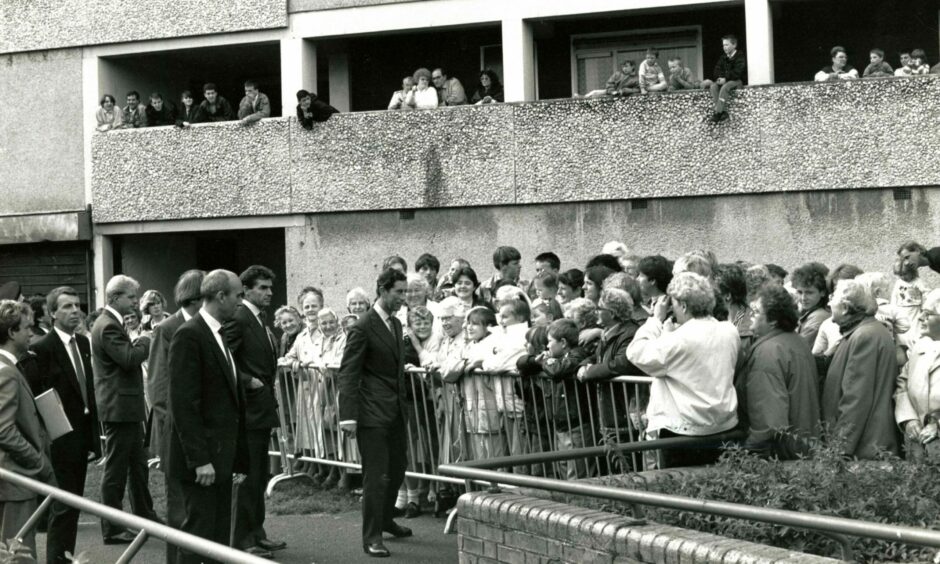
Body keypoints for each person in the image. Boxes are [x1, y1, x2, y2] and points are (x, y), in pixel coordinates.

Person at [165, 270, 248, 564]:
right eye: (238, 295)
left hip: (220, 457)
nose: (241, 301)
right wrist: (200, 459)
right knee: (198, 538)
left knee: (217, 538)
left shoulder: (217, 333)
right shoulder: (190, 335)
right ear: (221, 296)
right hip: (203, 462)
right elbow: (184, 403)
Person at [627, 272, 740, 468]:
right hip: (724, 425)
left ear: (684, 306)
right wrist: (669, 335)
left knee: (679, 484)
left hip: (685, 430)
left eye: (674, 304)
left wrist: (655, 320)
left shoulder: (678, 339)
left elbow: (637, 352)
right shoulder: (729, 331)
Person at [337, 268, 413, 558]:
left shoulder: (395, 324)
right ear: (383, 290)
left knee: (397, 468)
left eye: (405, 291)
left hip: (395, 411)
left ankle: (385, 519)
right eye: (399, 292)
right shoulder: (363, 326)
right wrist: (348, 416)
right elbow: (348, 372)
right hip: (371, 414)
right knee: (376, 475)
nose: (403, 297)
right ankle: (372, 536)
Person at [27, 287, 97, 564]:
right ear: (52, 313)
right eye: (67, 306)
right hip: (59, 440)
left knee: (74, 505)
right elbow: (38, 398)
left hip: (81, 435)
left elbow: (86, 391)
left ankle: (65, 558)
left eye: (77, 305)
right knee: (63, 507)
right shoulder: (42, 349)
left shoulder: (84, 343)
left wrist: (92, 439)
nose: (75, 311)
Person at [223, 266, 284, 558]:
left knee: (258, 475)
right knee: (247, 477)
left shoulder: (259, 319)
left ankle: (257, 532)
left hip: (261, 409)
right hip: (247, 411)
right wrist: (248, 381)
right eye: (262, 287)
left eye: (270, 287)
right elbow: (224, 358)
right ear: (246, 290)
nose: (269, 293)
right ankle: (242, 539)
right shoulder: (239, 318)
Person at [92, 275, 158, 544]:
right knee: (117, 469)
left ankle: (144, 515)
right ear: (115, 297)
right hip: (118, 407)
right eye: (131, 297)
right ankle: (113, 527)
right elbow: (129, 359)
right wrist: (145, 339)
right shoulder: (108, 325)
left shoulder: (110, 323)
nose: (135, 302)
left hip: (124, 405)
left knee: (138, 465)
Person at [146, 270, 203, 564]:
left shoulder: (207, 326)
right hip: (176, 434)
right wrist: (177, 428)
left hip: (200, 435)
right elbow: (158, 386)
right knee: (179, 509)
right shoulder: (167, 328)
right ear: (196, 296)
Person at [736, 285, 820, 460]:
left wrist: (751, 448)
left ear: (773, 321)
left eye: (756, 312)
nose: (750, 316)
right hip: (803, 445)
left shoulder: (768, 352)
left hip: (782, 453)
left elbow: (769, 419)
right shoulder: (796, 341)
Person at [0, 300, 54, 558]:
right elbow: (3, 430)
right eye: (26, 328)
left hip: (10, 477)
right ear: (12, 332)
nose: (31, 333)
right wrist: (38, 462)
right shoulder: (7, 372)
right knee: (18, 553)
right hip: (16, 478)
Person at [822, 279, 899, 459]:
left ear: (845, 308)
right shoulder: (863, 331)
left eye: (832, 297)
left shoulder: (864, 335)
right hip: (864, 444)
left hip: (864, 447)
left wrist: (839, 448)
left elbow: (855, 398)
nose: (829, 302)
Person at [895, 289, 940, 461]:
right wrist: (908, 419)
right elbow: (902, 384)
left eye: (928, 314)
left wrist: (937, 425)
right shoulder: (920, 347)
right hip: (917, 442)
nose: (920, 318)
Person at [701, 34, 747, 123]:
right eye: (723, 45)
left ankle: (718, 112)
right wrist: (720, 78)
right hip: (726, 80)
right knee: (713, 86)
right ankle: (723, 112)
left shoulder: (739, 56)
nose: (724, 47)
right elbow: (716, 70)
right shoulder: (723, 57)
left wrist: (725, 78)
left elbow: (738, 72)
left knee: (725, 87)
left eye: (727, 45)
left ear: (734, 45)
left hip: (737, 81)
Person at [791, 262, 830, 349]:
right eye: (799, 292)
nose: (803, 298)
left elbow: (797, 349)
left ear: (823, 292)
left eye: (809, 293)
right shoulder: (809, 311)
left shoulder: (819, 317)